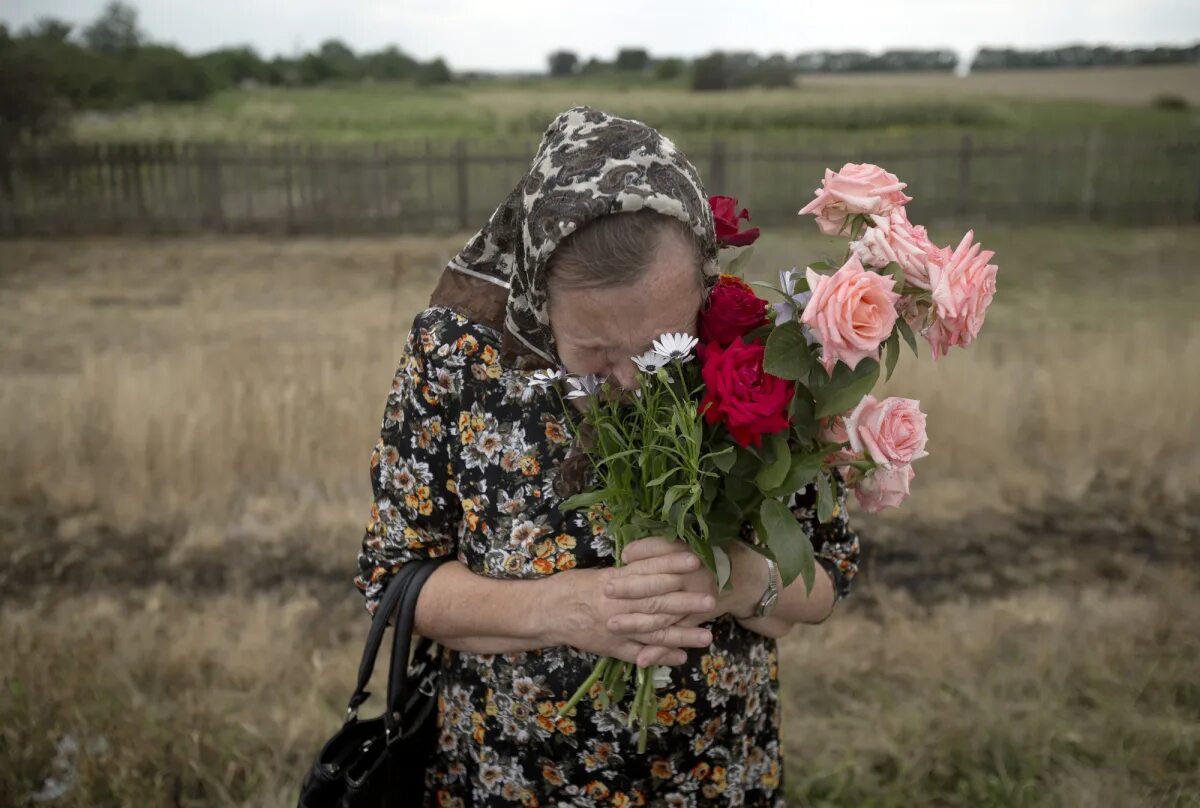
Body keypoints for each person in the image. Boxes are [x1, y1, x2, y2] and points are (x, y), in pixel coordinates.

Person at [354, 105, 861, 807]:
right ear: (538, 302)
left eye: (658, 345)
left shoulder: (751, 351)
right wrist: (562, 611)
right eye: (594, 352)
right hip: (508, 781)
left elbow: (830, 573)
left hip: (714, 777)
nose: (628, 378)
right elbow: (392, 577)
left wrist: (744, 583)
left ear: (703, 290)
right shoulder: (456, 355)